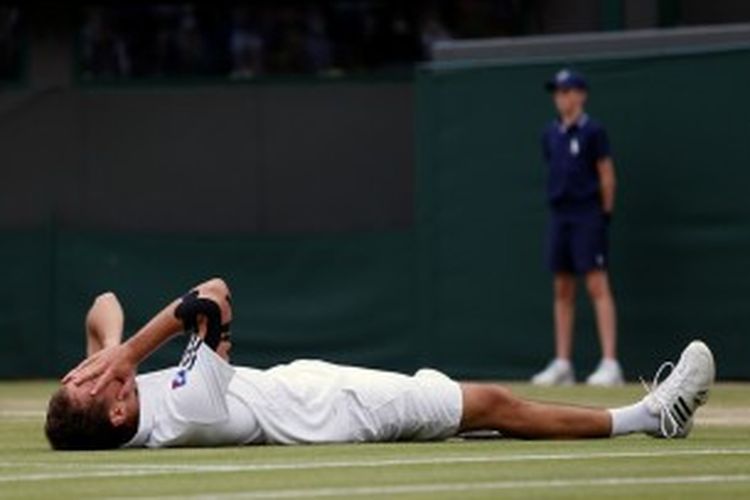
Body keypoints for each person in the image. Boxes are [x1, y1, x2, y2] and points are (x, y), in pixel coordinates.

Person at [46, 278, 714, 450]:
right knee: (493, 403)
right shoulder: (178, 413)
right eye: (88, 381)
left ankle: (646, 416)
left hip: (312, 388)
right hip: (336, 411)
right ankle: (653, 416)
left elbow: (101, 305)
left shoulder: (109, 401)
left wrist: (106, 351)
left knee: (477, 411)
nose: (84, 372)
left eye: (76, 372)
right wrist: (128, 352)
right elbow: (213, 296)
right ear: (117, 408)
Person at [533, 69, 623, 387]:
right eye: (558, 92)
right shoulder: (550, 134)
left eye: (568, 91)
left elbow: (607, 175)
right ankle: (563, 364)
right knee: (562, 289)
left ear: (581, 94)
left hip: (588, 215)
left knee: (597, 286)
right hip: (560, 216)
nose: (562, 97)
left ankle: (610, 364)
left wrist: (603, 214)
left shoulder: (594, 131)